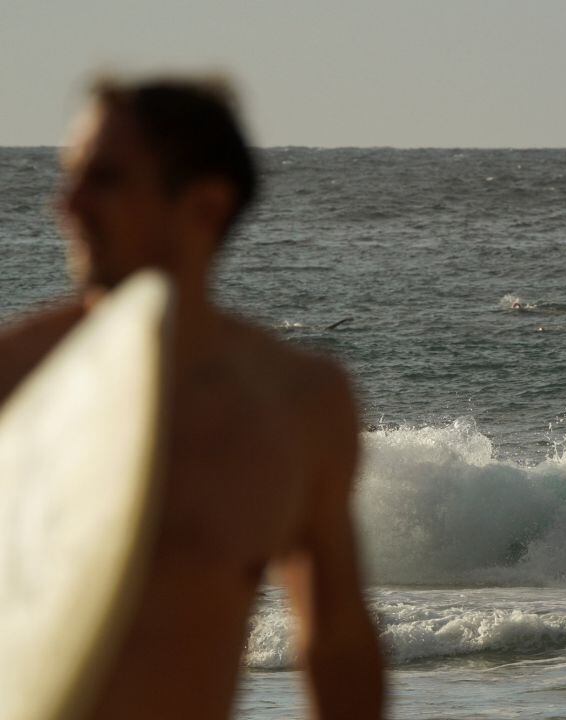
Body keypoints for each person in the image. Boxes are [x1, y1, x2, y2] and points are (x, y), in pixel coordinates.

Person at [0, 77, 383, 719]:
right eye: (72, 177)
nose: (68, 205)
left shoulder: (299, 403)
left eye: (107, 180)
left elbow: (336, 640)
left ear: (204, 206)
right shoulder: (16, 380)